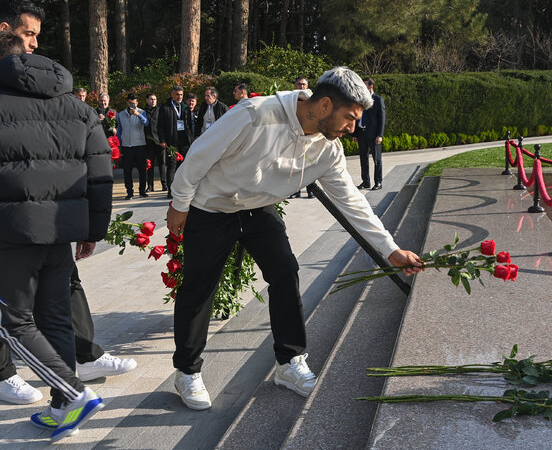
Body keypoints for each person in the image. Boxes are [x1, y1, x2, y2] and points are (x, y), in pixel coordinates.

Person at [166, 66, 423, 410]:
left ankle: (289, 363)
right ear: (325, 105)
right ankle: (187, 371)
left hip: (259, 210)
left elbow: (352, 201)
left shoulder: (327, 150)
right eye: (350, 117)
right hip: (212, 208)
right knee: (199, 288)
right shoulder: (255, 115)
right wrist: (179, 205)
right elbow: (199, 156)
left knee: (285, 272)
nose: (353, 127)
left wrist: (389, 250)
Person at [0, 0, 135, 406]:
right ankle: (14, 377)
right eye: (29, 34)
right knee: (10, 307)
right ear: (5, 33)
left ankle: (71, 390)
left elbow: (88, 162)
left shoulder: (47, 88)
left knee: (39, 307)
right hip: (11, 223)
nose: (34, 43)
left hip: (39, 222)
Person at [158, 86, 193, 199]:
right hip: (171, 142)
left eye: (181, 95)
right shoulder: (165, 107)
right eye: (177, 94)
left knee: (183, 166)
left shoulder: (185, 108)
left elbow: (190, 126)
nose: (179, 97)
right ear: (172, 94)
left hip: (184, 142)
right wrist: (162, 140)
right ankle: (171, 190)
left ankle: (182, 189)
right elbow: (160, 126)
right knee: (172, 166)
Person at [117, 93, 150, 200]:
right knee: (127, 170)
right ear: (127, 102)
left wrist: (137, 114)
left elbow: (146, 123)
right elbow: (119, 130)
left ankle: (142, 191)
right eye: (130, 103)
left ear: (137, 103)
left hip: (140, 145)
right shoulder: (121, 114)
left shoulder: (142, 112)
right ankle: (129, 192)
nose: (132, 105)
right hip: (127, 146)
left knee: (142, 169)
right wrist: (119, 144)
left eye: (134, 103)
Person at [356, 77, 385, 191]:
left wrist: (380, 135)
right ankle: (366, 181)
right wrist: (355, 134)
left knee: (377, 159)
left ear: (371, 86)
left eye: (365, 85)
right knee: (363, 159)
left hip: (373, 135)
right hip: (361, 133)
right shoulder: (359, 100)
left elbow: (382, 118)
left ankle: (378, 182)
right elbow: (357, 117)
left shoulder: (378, 100)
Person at [290, 77, 313, 199]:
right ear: (295, 85)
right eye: (299, 84)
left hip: (308, 135)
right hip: (295, 135)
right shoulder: (291, 99)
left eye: (303, 84)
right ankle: (296, 190)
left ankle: (311, 190)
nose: (301, 86)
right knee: (296, 165)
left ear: (307, 85)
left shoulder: (312, 98)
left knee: (309, 165)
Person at [143, 93, 164, 193]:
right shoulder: (143, 112)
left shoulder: (160, 111)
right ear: (147, 100)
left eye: (155, 99)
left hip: (159, 141)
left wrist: (163, 140)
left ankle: (164, 184)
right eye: (151, 99)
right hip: (148, 141)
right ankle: (150, 186)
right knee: (149, 165)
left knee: (162, 164)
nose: (153, 101)